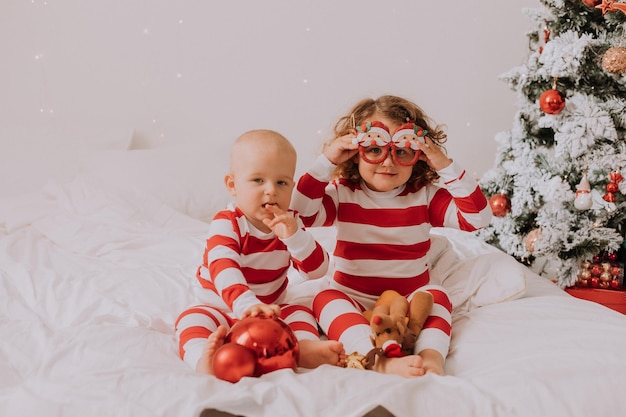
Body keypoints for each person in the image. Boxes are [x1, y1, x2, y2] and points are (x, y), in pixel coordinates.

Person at [291, 95, 492, 377]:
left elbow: (478, 218)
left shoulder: (425, 196)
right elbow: (300, 213)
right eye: (374, 149)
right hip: (352, 294)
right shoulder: (343, 193)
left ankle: (431, 357)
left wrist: (443, 163)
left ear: (418, 157)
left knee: (438, 298)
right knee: (324, 297)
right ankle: (376, 357)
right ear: (355, 151)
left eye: (403, 151)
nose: (388, 162)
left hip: (410, 298)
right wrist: (327, 160)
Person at [175, 129, 345, 376]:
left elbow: (318, 269)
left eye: (282, 182)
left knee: (298, 312)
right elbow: (224, 268)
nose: (271, 190)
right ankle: (203, 359)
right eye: (258, 180)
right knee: (191, 320)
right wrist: (246, 305)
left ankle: (303, 348)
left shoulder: (289, 222)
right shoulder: (228, 222)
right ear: (232, 185)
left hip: (271, 308)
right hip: (221, 307)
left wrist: (295, 237)